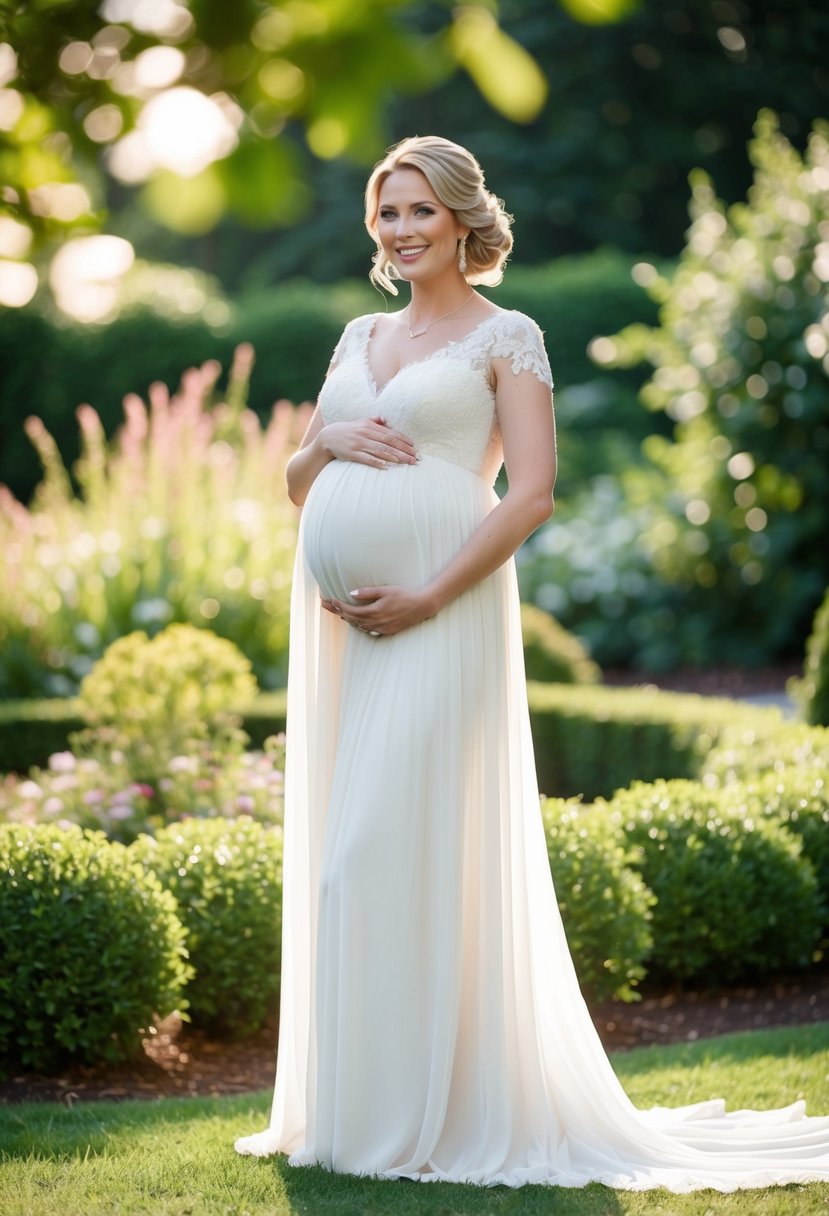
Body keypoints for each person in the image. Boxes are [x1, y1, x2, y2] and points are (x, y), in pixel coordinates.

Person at [234, 135, 829, 1189]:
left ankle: (427, 1117)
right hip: (343, 633)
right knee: (349, 860)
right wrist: (325, 448)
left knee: (374, 853)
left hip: (438, 615)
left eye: (419, 210)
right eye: (387, 213)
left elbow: (531, 492)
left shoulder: (508, 335)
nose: (401, 229)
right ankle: (352, 1122)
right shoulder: (359, 332)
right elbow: (293, 483)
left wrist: (425, 594)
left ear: (464, 218)